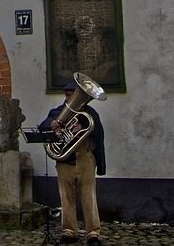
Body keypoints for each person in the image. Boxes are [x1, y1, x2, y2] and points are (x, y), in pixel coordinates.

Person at [39, 84, 105, 245]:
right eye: (67, 95)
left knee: (89, 196)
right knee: (66, 197)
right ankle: (69, 231)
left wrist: (83, 128)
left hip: (85, 158)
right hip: (64, 161)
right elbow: (42, 128)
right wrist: (52, 125)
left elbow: (98, 134)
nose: (69, 98)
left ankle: (93, 232)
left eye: (72, 95)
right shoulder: (56, 112)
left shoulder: (90, 114)